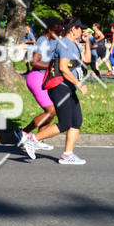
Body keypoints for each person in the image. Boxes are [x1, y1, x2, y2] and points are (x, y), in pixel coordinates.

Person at [27, 16, 90, 164]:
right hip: (60, 87)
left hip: (68, 88)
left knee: (76, 121)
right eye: (80, 29)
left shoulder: (72, 44)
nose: (82, 31)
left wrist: (87, 42)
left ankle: (67, 155)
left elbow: (86, 59)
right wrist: (79, 84)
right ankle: (32, 139)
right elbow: (62, 67)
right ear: (73, 29)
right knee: (65, 123)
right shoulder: (66, 44)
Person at [15, 16, 63, 158]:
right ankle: (23, 132)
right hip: (36, 78)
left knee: (53, 109)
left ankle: (39, 138)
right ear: (50, 30)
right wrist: (52, 67)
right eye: (57, 30)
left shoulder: (53, 40)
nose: (59, 33)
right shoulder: (42, 41)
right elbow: (34, 62)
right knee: (51, 110)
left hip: (45, 78)